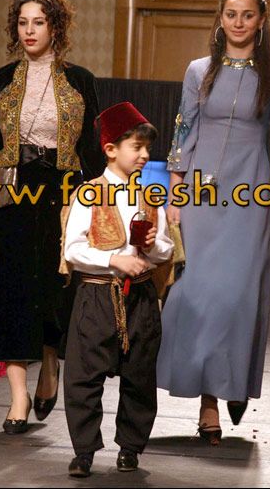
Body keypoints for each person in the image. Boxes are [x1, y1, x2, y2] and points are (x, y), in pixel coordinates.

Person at [0, 0, 104, 433]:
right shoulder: (1, 80)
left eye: (39, 22)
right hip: (11, 195)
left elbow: (93, 150)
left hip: (62, 196)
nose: (30, 31)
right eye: (23, 23)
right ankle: (17, 396)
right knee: (13, 294)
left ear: (56, 27)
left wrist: (107, 201)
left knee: (53, 293)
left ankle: (50, 360)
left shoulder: (80, 80)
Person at [158, 0, 270, 445]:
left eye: (247, 15)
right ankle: (209, 402)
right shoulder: (198, 71)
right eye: (230, 14)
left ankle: (231, 381)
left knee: (237, 298)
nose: (238, 22)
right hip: (201, 198)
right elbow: (182, 132)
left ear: (261, 21)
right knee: (199, 295)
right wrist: (175, 194)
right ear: (220, 19)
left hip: (249, 199)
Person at [61, 102, 174, 477]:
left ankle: (130, 446)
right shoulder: (89, 194)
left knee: (140, 375)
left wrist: (153, 246)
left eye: (146, 148)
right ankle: (84, 451)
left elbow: (166, 248)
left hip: (139, 297)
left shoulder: (150, 196)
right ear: (110, 149)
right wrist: (114, 260)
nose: (144, 155)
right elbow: (73, 249)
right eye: (136, 147)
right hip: (97, 295)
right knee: (84, 376)